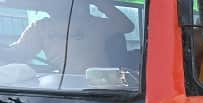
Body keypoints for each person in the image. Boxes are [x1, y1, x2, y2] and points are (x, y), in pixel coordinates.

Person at [2, 0, 134, 74]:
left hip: (101, 86)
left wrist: (100, 3)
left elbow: (127, 26)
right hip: (65, 88)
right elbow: (20, 53)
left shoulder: (95, 23)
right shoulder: (40, 27)